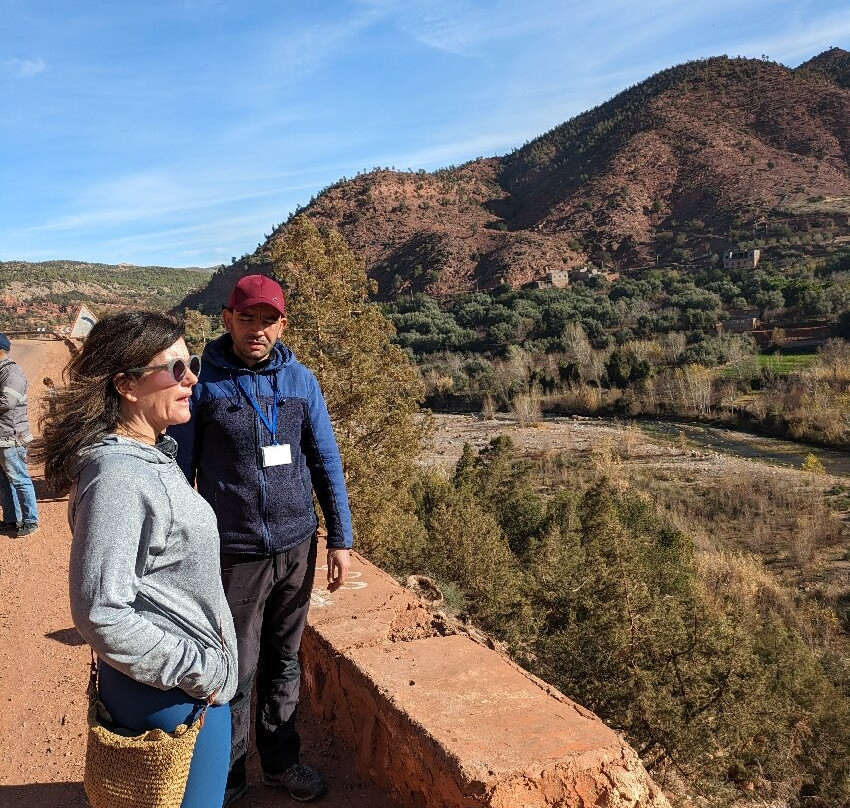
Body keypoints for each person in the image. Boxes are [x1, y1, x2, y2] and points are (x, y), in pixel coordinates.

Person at [33, 311, 239, 808]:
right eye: (174, 369)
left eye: (190, 362)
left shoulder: (144, 458)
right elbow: (99, 611)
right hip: (170, 701)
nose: (192, 377)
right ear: (126, 385)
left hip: (165, 694)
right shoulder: (121, 478)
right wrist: (201, 671)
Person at [170, 274, 353, 805]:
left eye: (267, 319)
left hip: (297, 547)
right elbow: (180, 471)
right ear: (227, 318)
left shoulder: (300, 381)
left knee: (285, 660)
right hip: (235, 553)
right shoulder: (203, 385)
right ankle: (227, 778)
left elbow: (325, 461)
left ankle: (281, 762)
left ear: (282, 323)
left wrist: (340, 537)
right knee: (237, 669)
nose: (256, 329)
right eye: (246, 317)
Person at [0, 333, 39, 537]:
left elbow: (6, 403)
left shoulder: (12, 373)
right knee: (4, 482)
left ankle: (30, 520)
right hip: (2, 438)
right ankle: (11, 520)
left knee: (19, 479)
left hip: (12, 438)